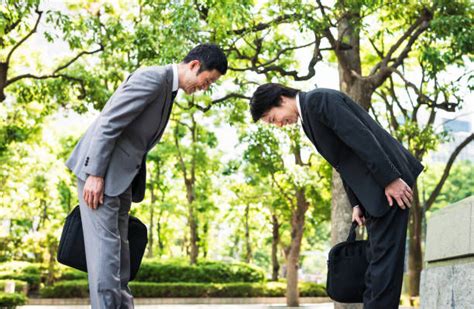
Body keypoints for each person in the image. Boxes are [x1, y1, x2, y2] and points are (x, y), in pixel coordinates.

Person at [66, 43, 227, 309]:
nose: (205, 88)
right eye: (207, 81)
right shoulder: (152, 78)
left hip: (121, 181)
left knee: (121, 257)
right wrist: (95, 173)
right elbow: (109, 122)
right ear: (195, 65)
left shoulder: (168, 89)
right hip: (101, 176)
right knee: (105, 258)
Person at [249, 83, 423, 309]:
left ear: (281, 99)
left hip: (388, 187)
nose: (279, 125)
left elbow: (362, 139)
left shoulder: (319, 100)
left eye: (273, 119)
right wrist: (356, 204)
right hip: (373, 193)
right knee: (378, 266)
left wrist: (390, 179)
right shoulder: (308, 116)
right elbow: (344, 161)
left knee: (383, 269)